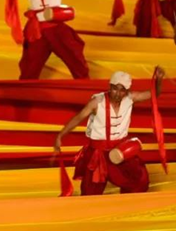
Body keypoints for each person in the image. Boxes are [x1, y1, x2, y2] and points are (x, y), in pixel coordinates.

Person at [54, 67, 165, 195]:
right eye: (115, 88)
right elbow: (78, 117)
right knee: (90, 191)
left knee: (139, 178)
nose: (117, 93)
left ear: (126, 91)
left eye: (122, 90)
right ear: (109, 86)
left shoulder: (130, 98)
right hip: (98, 153)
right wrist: (61, 135)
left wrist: (159, 80)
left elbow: (154, 94)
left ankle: (127, 203)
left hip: (119, 150)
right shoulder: (97, 102)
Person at [15, 0, 89, 79]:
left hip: (56, 27)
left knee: (76, 61)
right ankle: (26, 87)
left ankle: (84, 84)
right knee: (29, 69)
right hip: (37, 30)